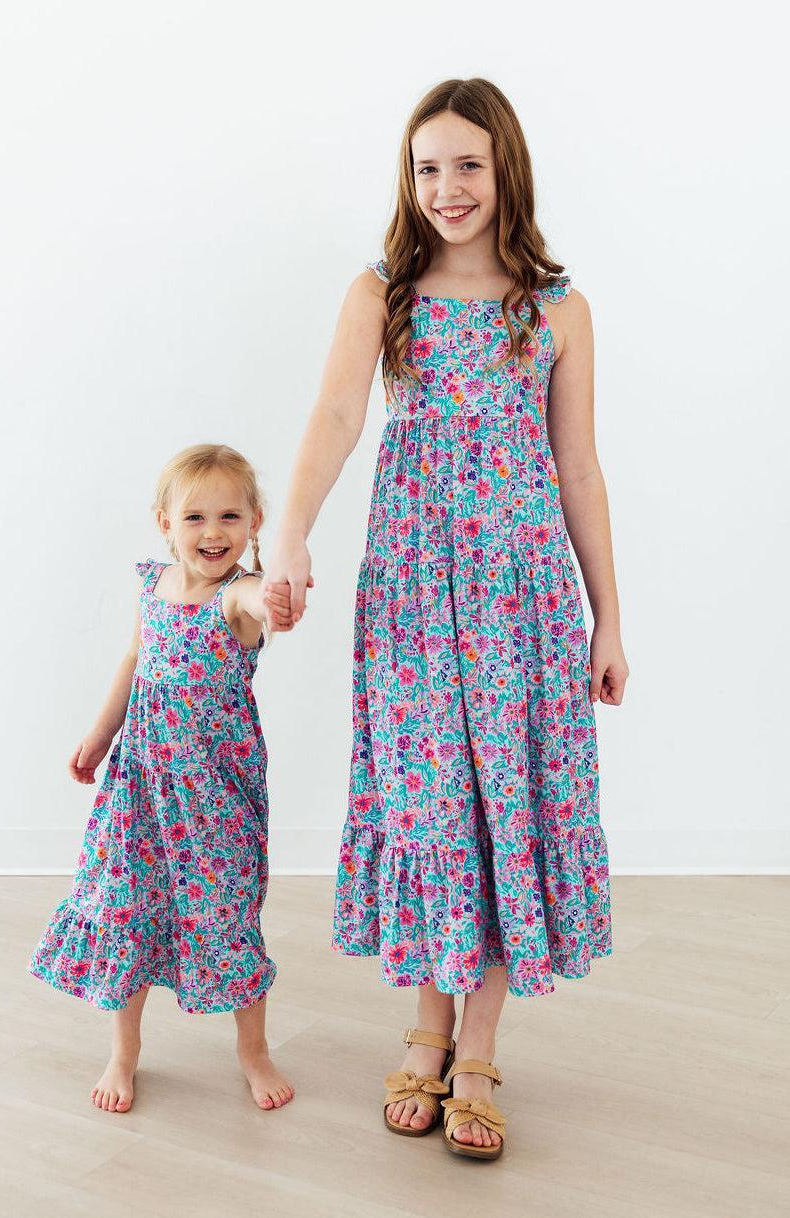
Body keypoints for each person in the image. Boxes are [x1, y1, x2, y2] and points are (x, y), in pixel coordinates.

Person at [263, 77, 629, 1160]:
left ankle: (476, 1045)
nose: (447, 187)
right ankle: (424, 1027)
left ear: (505, 167)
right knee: (429, 804)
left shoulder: (557, 307)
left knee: (504, 801)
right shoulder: (383, 292)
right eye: (428, 167)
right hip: (416, 590)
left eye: (468, 164)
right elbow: (337, 411)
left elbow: (578, 468)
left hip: (524, 600)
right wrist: (291, 533)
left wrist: (608, 619)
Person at [29, 443, 295, 1115]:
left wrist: (277, 597)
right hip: (140, 787)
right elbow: (134, 658)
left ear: (255, 521)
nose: (213, 532)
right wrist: (100, 735)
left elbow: (259, 601)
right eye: (195, 517)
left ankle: (254, 1050)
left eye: (230, 516)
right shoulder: (153, 587)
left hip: (212, 797)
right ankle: (123, 1053)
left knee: (226, 913)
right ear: (165, 523)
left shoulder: (236, 598)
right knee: (127, 909)